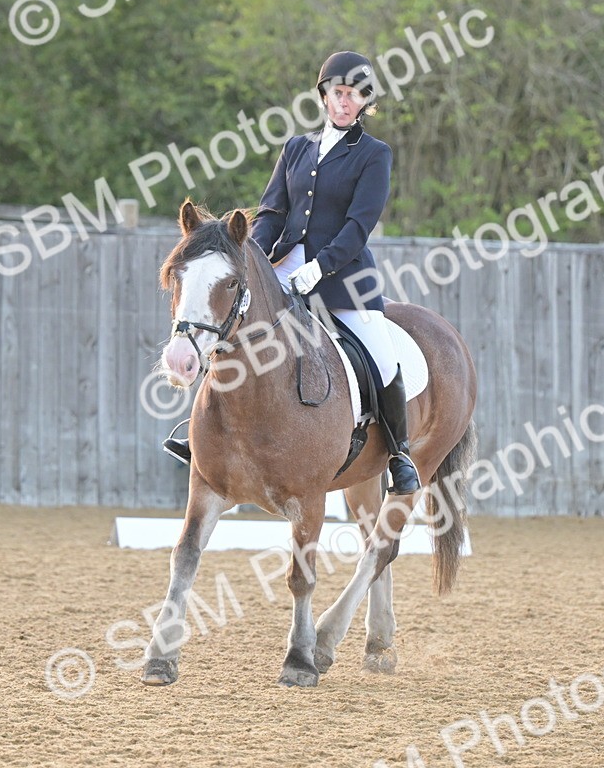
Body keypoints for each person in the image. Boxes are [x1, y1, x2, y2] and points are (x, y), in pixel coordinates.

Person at [163, 51, 421, 495]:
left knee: (380, 352)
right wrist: (252, 259)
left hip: (343, 276)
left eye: (354, 95)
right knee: (231, 328)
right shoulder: (296, 148)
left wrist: (319, 267)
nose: (344, 102)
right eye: (337, 93)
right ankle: (200, 433)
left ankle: (399, 454)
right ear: (324, 96)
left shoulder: (375, 155)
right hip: (283, 266)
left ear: (365, 102)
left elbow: (359, 225)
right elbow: (271, 211)